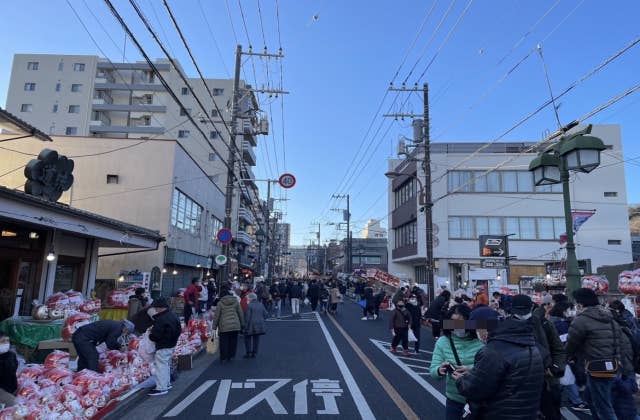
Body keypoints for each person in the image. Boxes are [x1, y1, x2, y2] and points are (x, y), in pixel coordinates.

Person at [455, 300, 544, 420]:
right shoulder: (530, 344)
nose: (476, 332)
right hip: (527, 412)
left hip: (499, 413)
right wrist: (473, 372)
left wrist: (461, 380)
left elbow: (475, 390)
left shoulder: (493, 351)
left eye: (476, 328)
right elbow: (510, 379)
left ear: (484, 328)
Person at [566, 288, 631, 420]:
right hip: (613, 365)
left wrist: (566, 358)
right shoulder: (609, 317)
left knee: (604, 407)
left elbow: (571, 344)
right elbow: (621, 343)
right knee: (594, 398)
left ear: (580, 304)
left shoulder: (581, 320)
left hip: (596, 367)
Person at [512, 294, 565, 420]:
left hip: (545, 379)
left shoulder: (544, 324)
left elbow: (558, 349)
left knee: (551, 411)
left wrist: (556, 367)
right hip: (518, 381)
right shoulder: (505, 325)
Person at [430, 305, 485, 420]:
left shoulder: (481, 341)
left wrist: (471, 370)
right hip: (454, 400)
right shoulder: (442, 342)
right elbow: (433, 370)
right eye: (453, 322)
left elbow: (491, 368)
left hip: (479, 400)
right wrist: (439, 370)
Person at [548, 301, 590, 413]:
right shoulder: (560, 324)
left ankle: (570, 400)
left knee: (565, 380)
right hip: (561, 355)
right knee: (567, 379)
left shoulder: (554, 321)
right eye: (570, 309)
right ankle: (575, 401)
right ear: (564, 310)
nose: (572, 311)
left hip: (559, 356)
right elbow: (563, 341)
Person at [609, 299, 638, 420]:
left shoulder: (616, 331)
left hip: (620, 371)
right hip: (627, 369)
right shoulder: (626, 326)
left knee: (623, 407)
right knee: (626, 406)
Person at [146, 298, 181, 396]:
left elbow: (156, 335)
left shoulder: (161, 319)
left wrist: (150, 335)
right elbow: (179, 330)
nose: (155, 310)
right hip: (171, 344)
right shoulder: (173, 315)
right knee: (166, 365)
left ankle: (161, 388)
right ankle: (166, 383)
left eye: (156, 308)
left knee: (161, 366)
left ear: (161, 308)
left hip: (163, 345)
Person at [213, 285, 244, 363]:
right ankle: (231, 356)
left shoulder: (220, 303)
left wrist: (214, 326)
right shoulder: (235, 301)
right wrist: (242, 324)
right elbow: (240, 313)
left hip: (224, 325)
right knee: (233, 341)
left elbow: (217, 316)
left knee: (224, 342)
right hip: (235, 324)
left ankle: (223, 358)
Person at [243, 293, 268, 358]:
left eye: (248, 298)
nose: (247, 299)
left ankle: (248, 352)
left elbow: (247, 318)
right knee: (256, 338)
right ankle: (254, 352)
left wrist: (245, 326)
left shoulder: (249, 306)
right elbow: (265, 314)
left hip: (251, 324)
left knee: (247, 337)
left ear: (250, 298)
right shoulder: (261, 304)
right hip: (259, 324)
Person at [0, 333, 17, 408]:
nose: (6, 343)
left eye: (8, 341)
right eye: (3, 341)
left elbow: (13, 370)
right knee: (13, 404)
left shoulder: (11, 355)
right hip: (1, 389)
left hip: (11, 386)